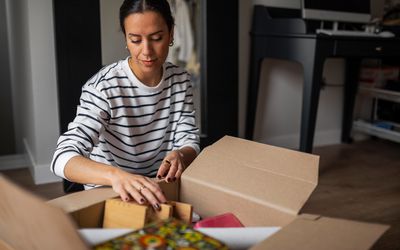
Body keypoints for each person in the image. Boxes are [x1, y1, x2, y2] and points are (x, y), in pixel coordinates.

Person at [51, 0, 200, 211]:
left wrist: (180, 155)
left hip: (159, 189)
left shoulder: (180, 80)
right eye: (135, 40)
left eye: (156, 38)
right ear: (126, 39)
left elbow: (189, 139)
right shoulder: (103, 88)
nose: (147, 51)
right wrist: (117, 176)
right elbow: (62, 157)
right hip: (110, 190)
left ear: (171, 33)